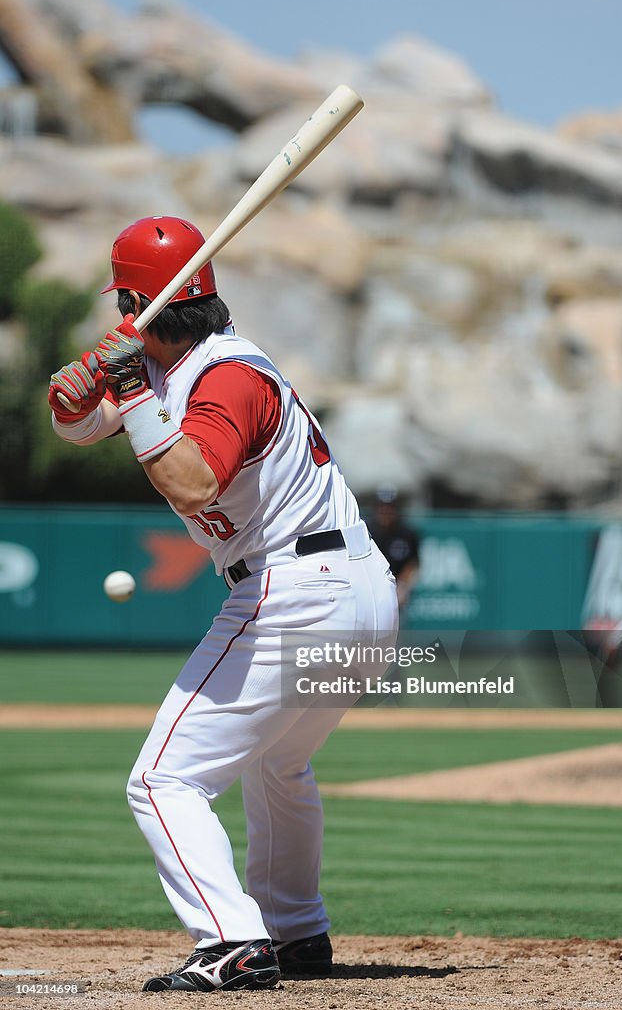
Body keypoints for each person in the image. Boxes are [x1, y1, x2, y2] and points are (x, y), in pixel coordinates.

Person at [47, 216, 398, 993]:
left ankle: (233, 941)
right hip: (352, 588)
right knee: (278, 762)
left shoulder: (225, 375)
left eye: (125, 303)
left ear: (141, 300)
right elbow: (84, 425)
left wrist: (130, 381)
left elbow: (192, 482)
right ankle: (294, 930)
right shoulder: (190, 367)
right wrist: (75, 395)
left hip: (297, 590)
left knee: (162, 781)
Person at [367, 487, 420, 617]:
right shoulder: (366, 531)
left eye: (389, 508)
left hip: (396, 590)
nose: (385, 511)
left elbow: (413, 562)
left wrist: (402, 586)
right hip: (370, 588)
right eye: (382, 507)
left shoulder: (406, 533)